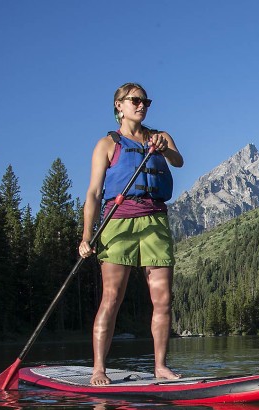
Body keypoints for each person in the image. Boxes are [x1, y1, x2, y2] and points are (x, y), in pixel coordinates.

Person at [80, 82, 184, 386]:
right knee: (111, 298)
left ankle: (161, 366)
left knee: (163, 300)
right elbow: (94, 193)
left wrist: (166, 150)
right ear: (119, 106)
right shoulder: (107, 144)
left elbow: (178, 162)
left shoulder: (160, 138)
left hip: (155, 223)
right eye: (135, 100)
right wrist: (87, 236)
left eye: (145, 101)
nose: (141, 105)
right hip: (118, 224)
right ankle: (99, 368)